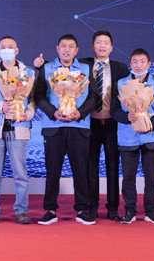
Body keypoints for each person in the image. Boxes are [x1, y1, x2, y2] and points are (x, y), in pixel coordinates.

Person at [35, 34, 98, 225]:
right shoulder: (47, 68)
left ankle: (82, 209)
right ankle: (50, 210)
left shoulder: (85, 69)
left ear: (76, 50)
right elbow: (39, 96)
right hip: (54, 127)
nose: (67, 50)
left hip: (79, 126)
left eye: (71, 46)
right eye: (63, 46)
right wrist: (52, 112)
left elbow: (93, 96)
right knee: (52, 170)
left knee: (81, 170)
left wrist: (81, 112)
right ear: (57, 48)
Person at [0, 36, 36, 225]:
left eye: (10, 47)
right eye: (3, 47)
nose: (6, 50)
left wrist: (28, 114)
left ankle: (21, 211)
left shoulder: (28, 72)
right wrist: (0, 106)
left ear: (17, 51)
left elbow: (33, 101)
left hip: (19, 126)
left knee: (20, 173)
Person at [110, 49, 154, 225]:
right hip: (128, 136)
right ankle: (130, 210)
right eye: (135, 61)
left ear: (149, 64)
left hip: (152, 136)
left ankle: (151, 211)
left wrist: (151, 124)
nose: (138, 65)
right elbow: (114, 110)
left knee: (151, 177)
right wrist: (127, 117)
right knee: (128, 176)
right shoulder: (121, 83)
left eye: (142, 61)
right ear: (130, 64)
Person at [81, 31, 128, 221]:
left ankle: (113, 208)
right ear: (93, 46)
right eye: (98, 42)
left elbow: (135, 82)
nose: (102, 46)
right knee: (90, 166)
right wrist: (41, 65)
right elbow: (62, 71)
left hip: (112, 123)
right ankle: (92, 206)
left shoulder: (121, 68)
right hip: (90, 123)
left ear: (111, 47)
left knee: (113, 166)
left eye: (106, 43)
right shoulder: (83, 65)